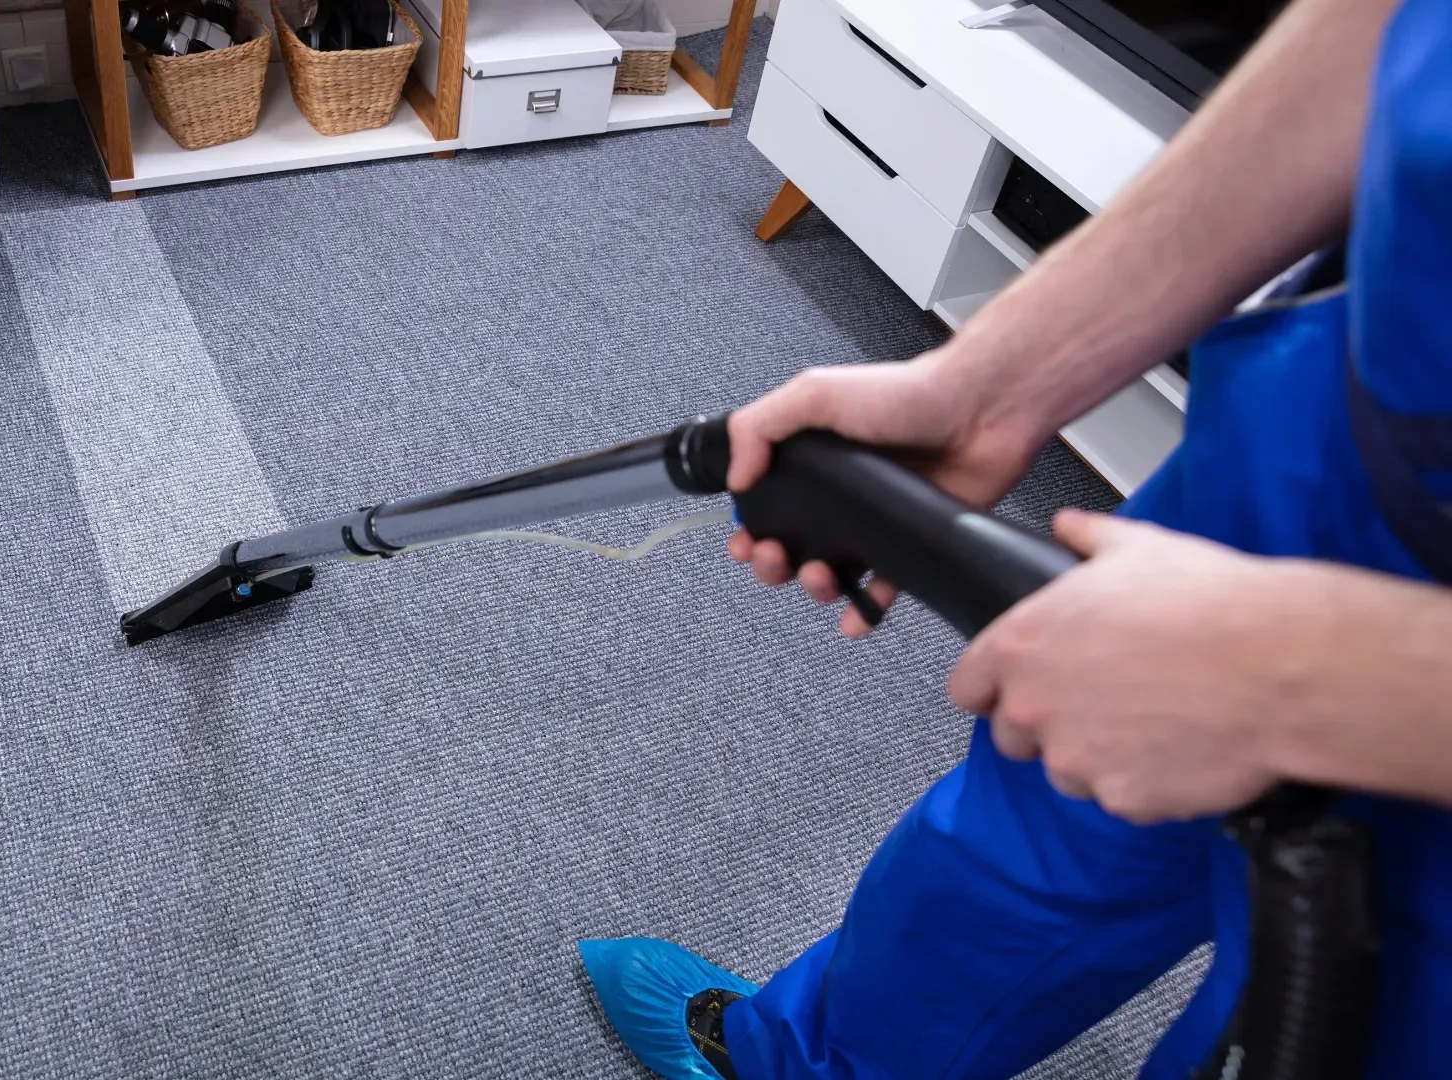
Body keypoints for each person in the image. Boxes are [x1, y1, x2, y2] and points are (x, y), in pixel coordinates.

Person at [579, 0, 1452, 1075]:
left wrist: (1324, 675)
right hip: (1356, 399)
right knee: (1047, 805)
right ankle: (805, 1061)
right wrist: (996, 382)